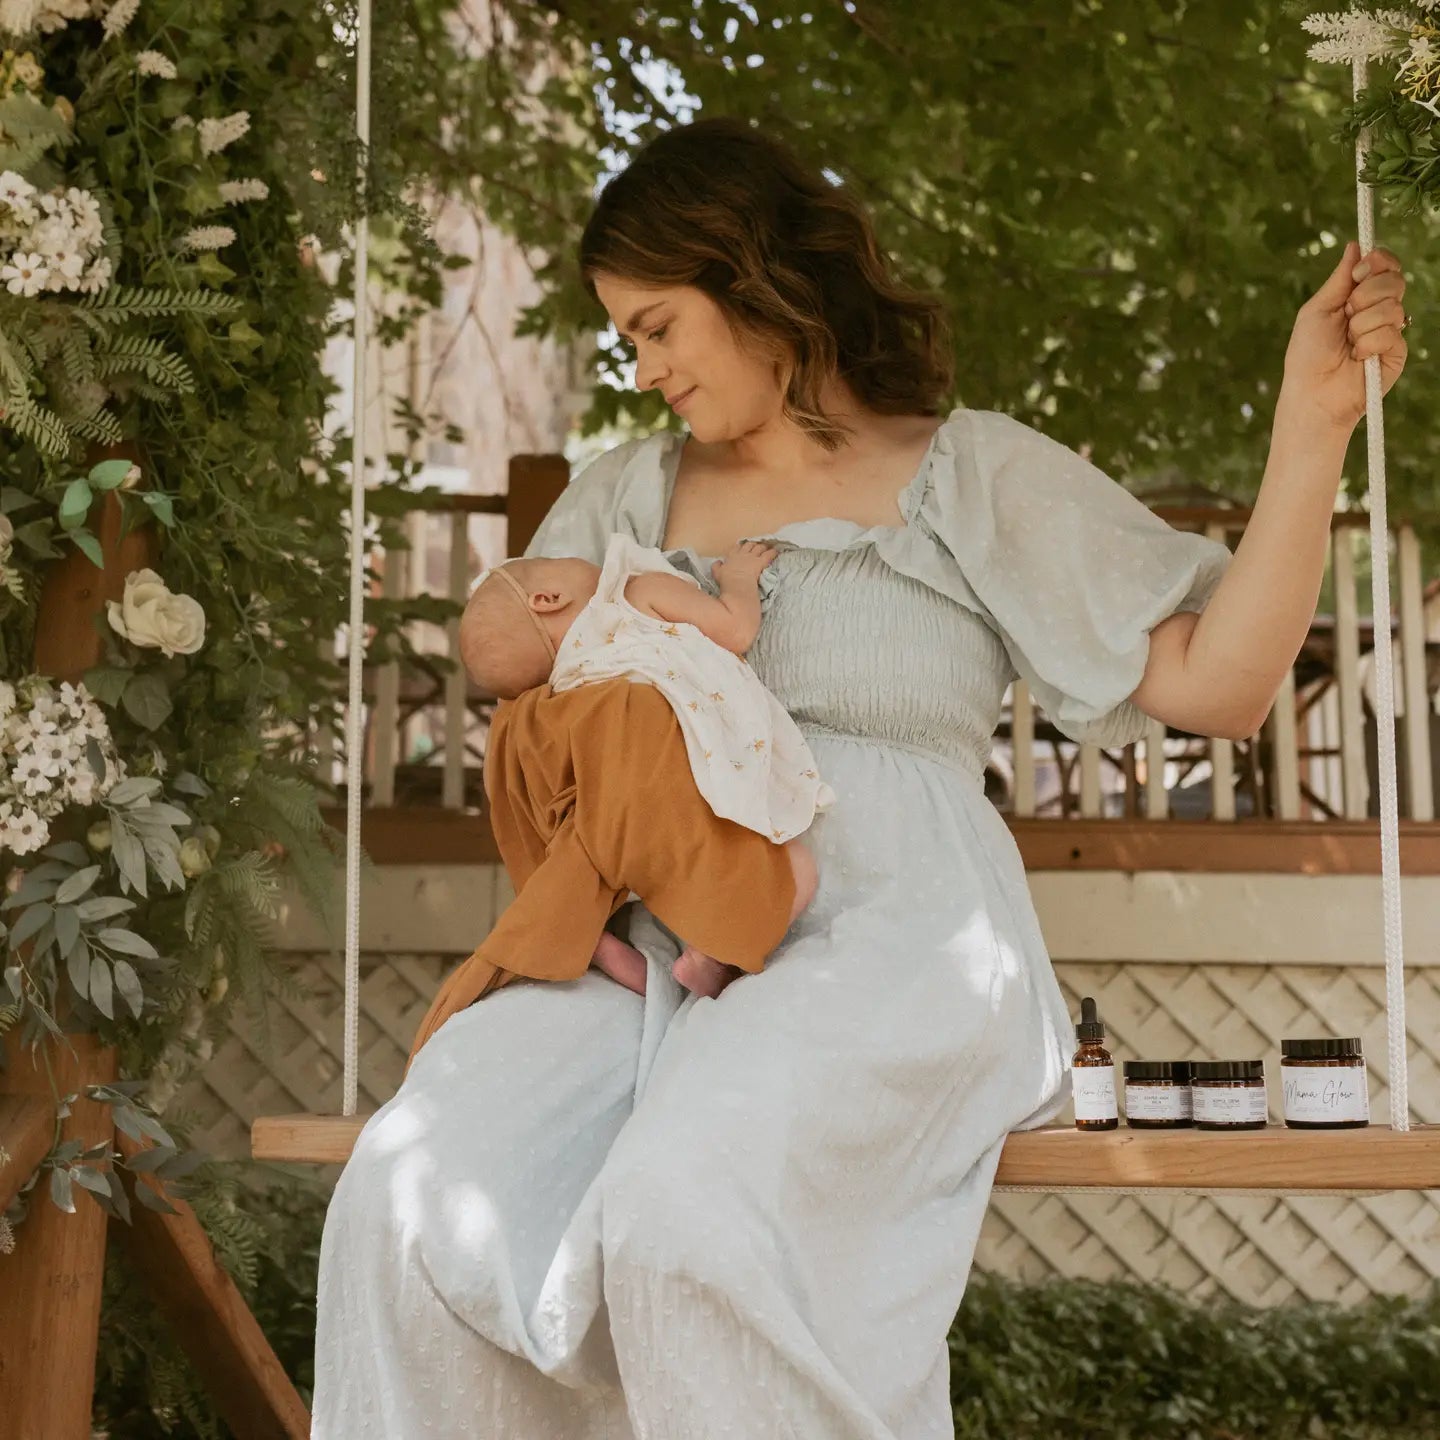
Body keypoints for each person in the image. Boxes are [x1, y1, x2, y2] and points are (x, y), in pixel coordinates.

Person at [311, 115, 1407, 1438]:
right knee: (406, 1194)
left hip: (901, 925)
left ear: (753, 279)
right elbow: (538, 742)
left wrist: (1312, 425)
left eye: (657, 326)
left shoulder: (966, 474)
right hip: (652, 938)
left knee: (690, 1208)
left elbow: (1220, 685)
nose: (642, 368)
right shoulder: (619, 501)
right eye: (626, 339)